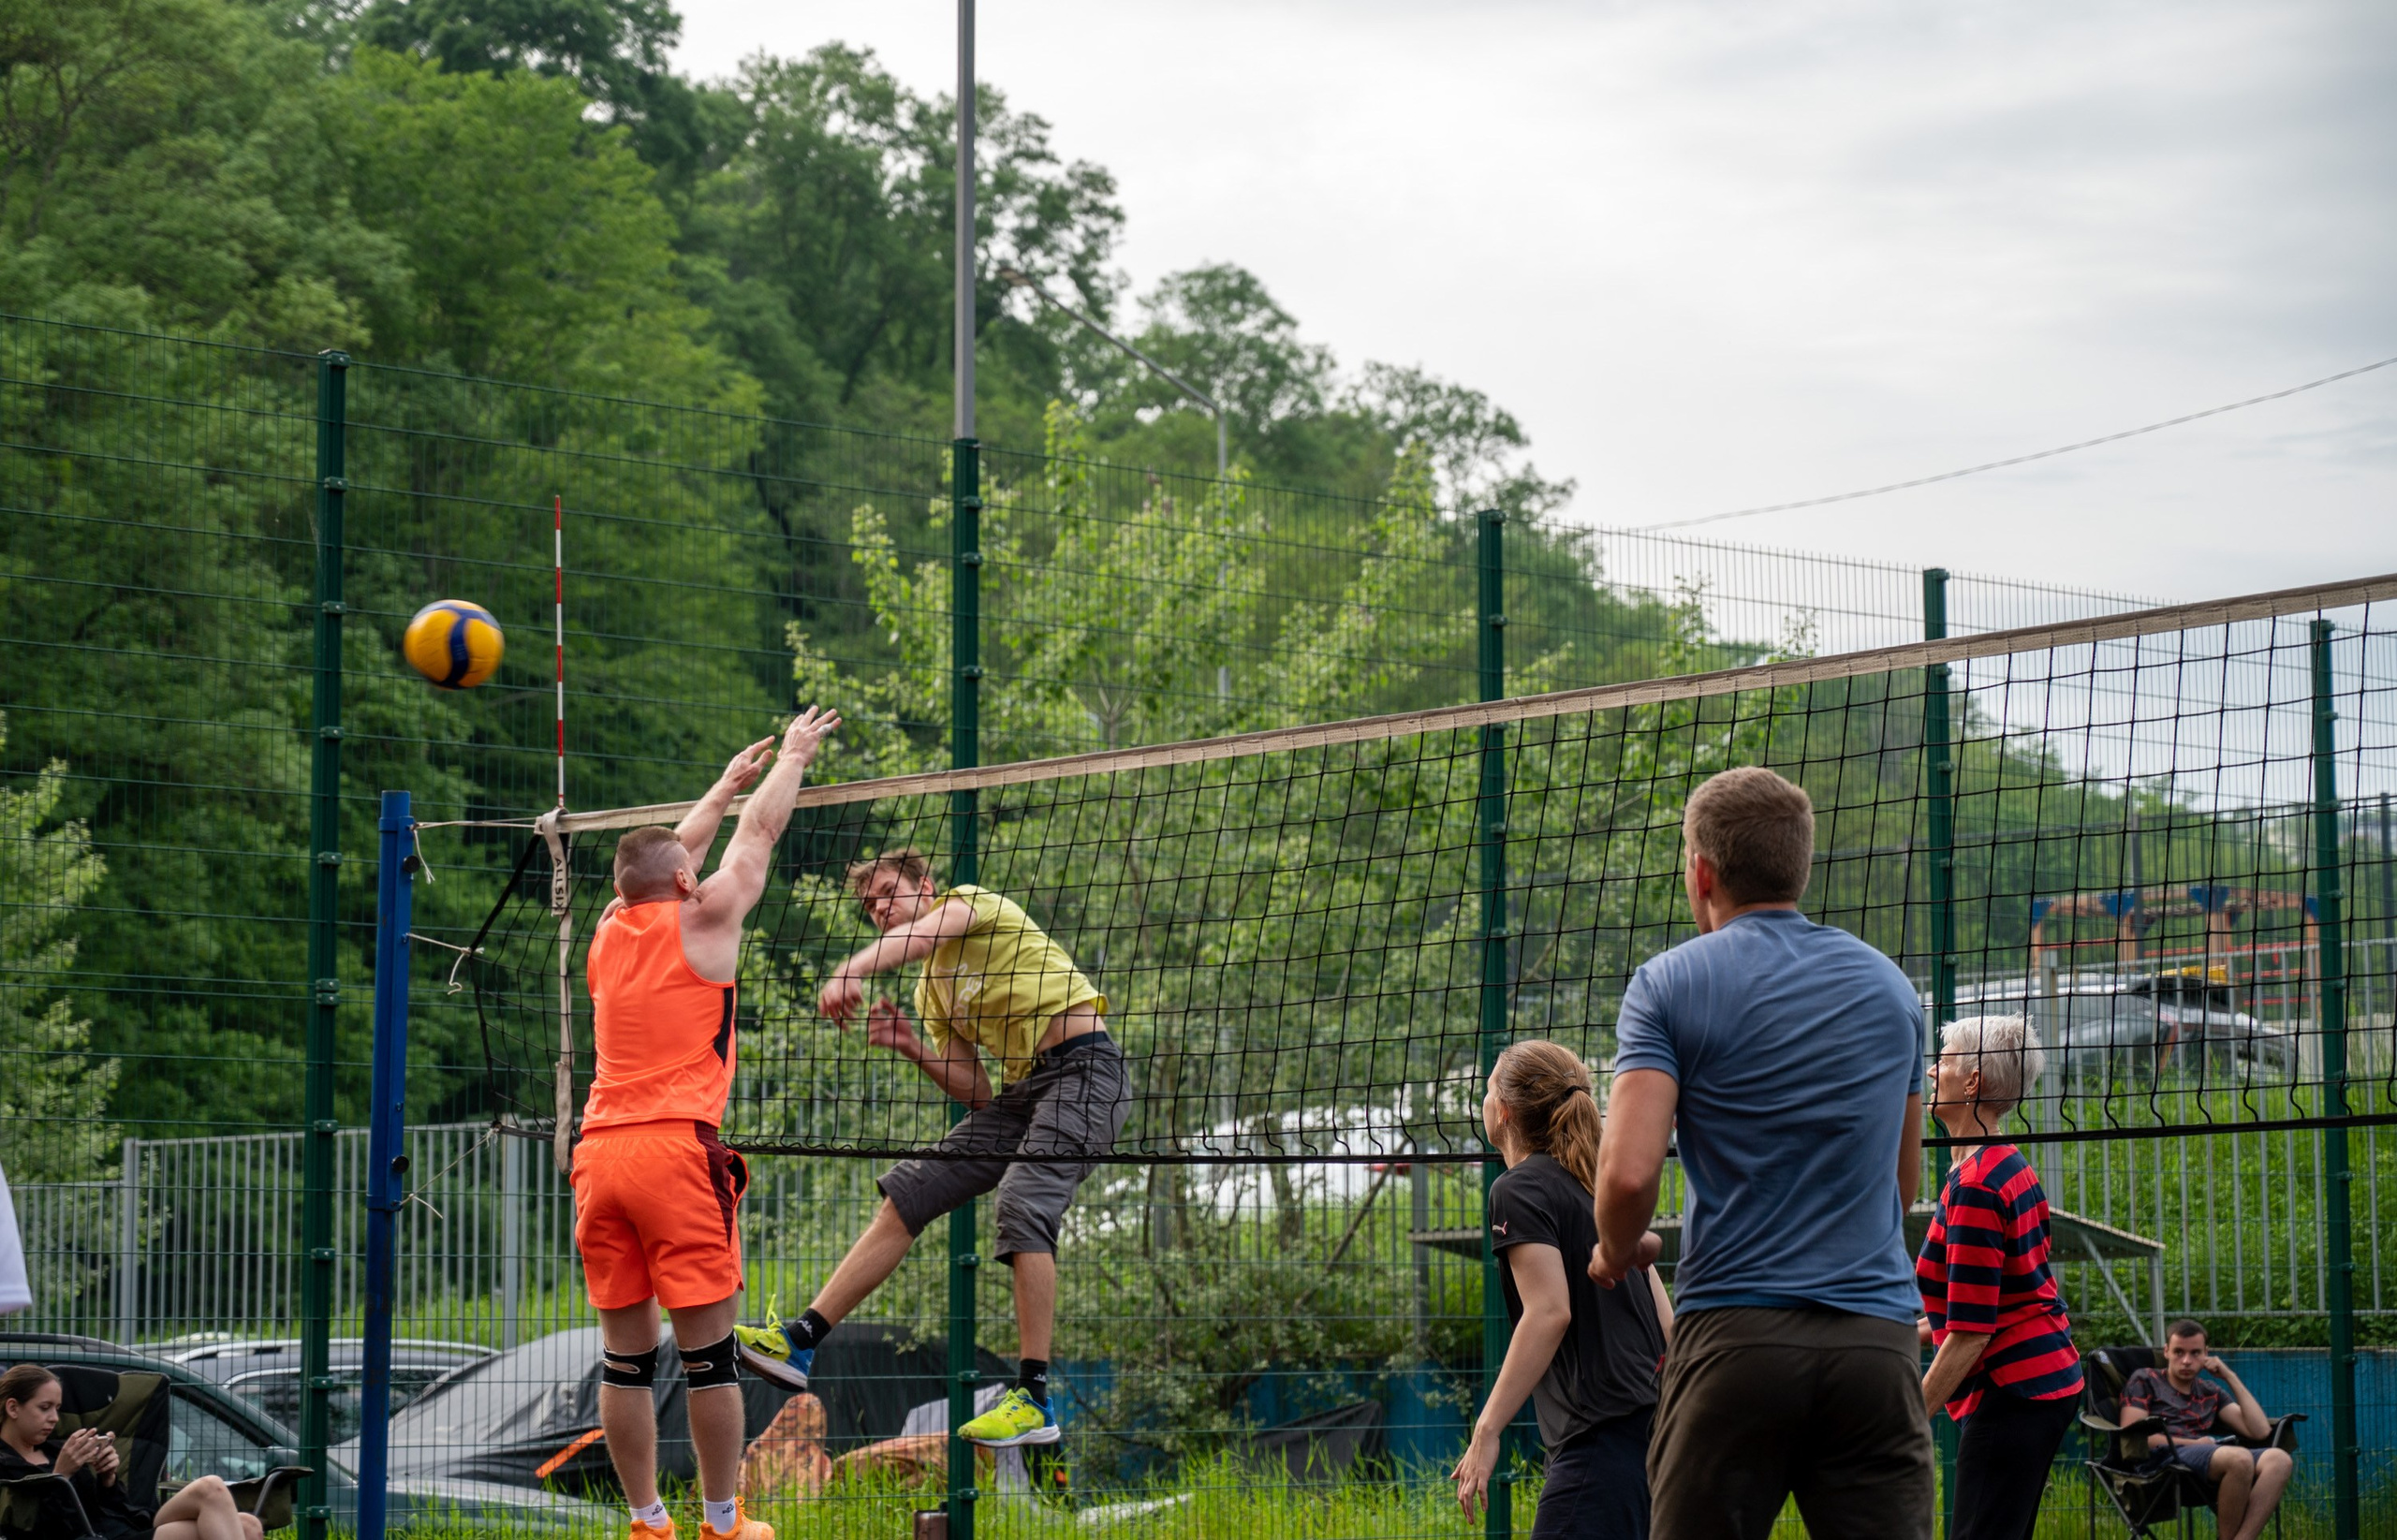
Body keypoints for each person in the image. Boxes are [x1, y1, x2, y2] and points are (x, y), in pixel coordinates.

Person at [1589, 766, 1933, 1540]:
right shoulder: (1892, 990)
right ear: (1799, 864)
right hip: (1875, 1346)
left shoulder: (1668, 982)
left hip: (1736, 1338)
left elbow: (1630, 1172)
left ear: (1702, 872)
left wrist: (1616, 1248)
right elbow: (1900, 1185)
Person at [734, 849, 1129, 1452]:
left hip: (1086, 1074)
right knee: (908, 1193)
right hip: (1025, 1092)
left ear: (928, 889)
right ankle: (802, 1340)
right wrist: (910, 1045)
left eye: (890, 892)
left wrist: (851, 970)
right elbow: (977, 1090)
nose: (881, 909)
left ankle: (1034, 1397)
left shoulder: (974, 907)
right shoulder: (930, 993)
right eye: (869, 906)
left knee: (1022, 1203)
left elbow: (920, 938)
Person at [572, 706, 842, 1540]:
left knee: (625, 1357)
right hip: (674, 1150)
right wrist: (788, 759)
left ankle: (647, 1521)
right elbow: (759, 832)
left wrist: (718, 788)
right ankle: (723, 1526)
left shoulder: (609, 929)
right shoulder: (705, 915)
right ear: (685, 882)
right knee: (708, 1358)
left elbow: (665, 857)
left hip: (600, 1154)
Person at [1452, 1041, 1671, 1540]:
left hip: (1600, 1441)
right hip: (1656, 1436)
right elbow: (1667, 1324)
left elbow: (1549, 1313)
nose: (1484, 1101)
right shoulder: (1597, 1188)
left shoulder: (1517, 1188)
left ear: (1503, 1111)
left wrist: (1486, 1430)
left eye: (1487, 1090)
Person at [1915, 1015, 2083, 1540]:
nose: (1932, 1070)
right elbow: (2002, 1296)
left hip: (2014, 1391)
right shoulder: (2004, 1165)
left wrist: (1910, 1417)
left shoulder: (1979, 1184)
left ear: (1973, 1083)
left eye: (1944, 1060)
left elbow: (1972, 1330)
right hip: (2041, 1381)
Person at [0, 1363, 262, 1540]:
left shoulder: (56, 1451)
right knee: (211, 1488)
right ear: (13, 1408)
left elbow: (111, 1509)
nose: (55, 1418)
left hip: (121, 1531)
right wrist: (61, 1476)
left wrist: (107, 1479)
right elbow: (33, 1529)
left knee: (250, 1525)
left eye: (57, 1408)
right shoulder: (6, 1465)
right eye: (45, 1408)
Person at [2119, 1321, 2294, 1540]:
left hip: (2204, 1462)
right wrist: (2196, 1444)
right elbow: (2133, 1436)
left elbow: (2259, 1431)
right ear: (2166, 1351)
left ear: (2206, 1355)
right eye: (2178, 1352)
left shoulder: (2209, 1391)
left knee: (2279, 1460)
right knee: (2239, 1459)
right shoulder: (2145, 1379)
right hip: (2161, 1463)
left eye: (2195, 1353)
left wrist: (2230, 1376)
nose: (2186, 1361)